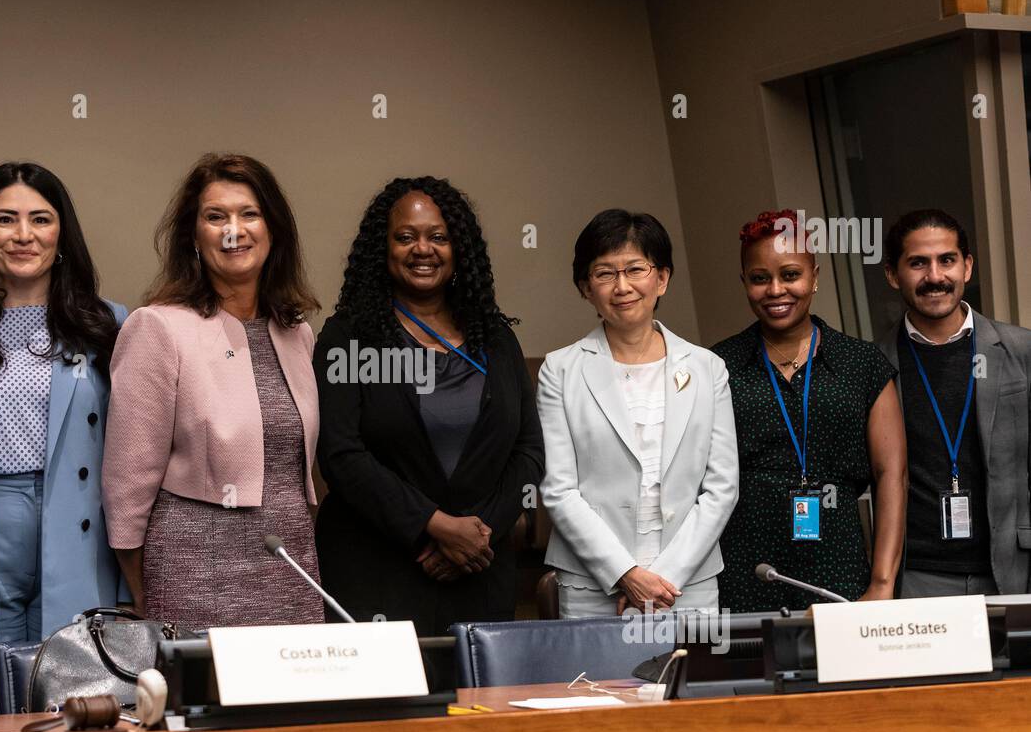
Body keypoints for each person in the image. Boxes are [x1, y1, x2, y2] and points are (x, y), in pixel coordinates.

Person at [0, 163, 127, 716]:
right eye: (5, 219)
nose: (23, 234)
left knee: (72, 684)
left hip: (78, 522)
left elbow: (135, 453)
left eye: (40, 218)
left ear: (62, 233)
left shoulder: (108, 324)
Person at [314, 176, 544, 636]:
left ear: (458, 248)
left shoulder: (497, 339)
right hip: (379, 572)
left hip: (480, 570)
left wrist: (477, 536)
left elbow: (529, 450)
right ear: (384, 248)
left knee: (481, 706)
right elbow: (341, 454)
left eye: (438, 236)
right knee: (392, 708)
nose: (424, 249)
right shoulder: (349, 338)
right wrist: (433, 526)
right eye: (406, 237)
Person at [102, 153, 322, 630]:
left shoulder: (298, 333)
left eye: (249, 213)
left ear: (273, 229)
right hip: (193, 573)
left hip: (291, 565)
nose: (233, 229)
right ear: (194, 237)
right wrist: (142, 590)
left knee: (295, 704)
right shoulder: (157, 328)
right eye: (215, 216)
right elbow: (126, 484)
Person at [538, 209, 738, 617]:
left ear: (661, 278)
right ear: (585, 287)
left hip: (685, 587)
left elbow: (721, 486)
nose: (622, 286)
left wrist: (664, 577)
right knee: (596, 685)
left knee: (686, 681)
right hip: (594, 586)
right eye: (605, 273)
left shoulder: (706, 367)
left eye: (635, 269)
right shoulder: (559, 370)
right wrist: (625, 572)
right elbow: (559, 489)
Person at [712, 209, 906, 610]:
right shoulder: (716, 366)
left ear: (815, 276)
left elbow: (892, 475)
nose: (776, 290)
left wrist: (882, 583)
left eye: (790, 274)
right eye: (760, 278)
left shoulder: (861, 363)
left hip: (840, 568)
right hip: (745, 573)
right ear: (744, 283)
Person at [878, 209, 1031, 597]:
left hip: (1013, 570)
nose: (934, 277)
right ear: (893, 275)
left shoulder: (1021, 350)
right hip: (919, 575)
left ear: (967, 267)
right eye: (917, 263)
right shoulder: (875, 363)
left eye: (947, 260)